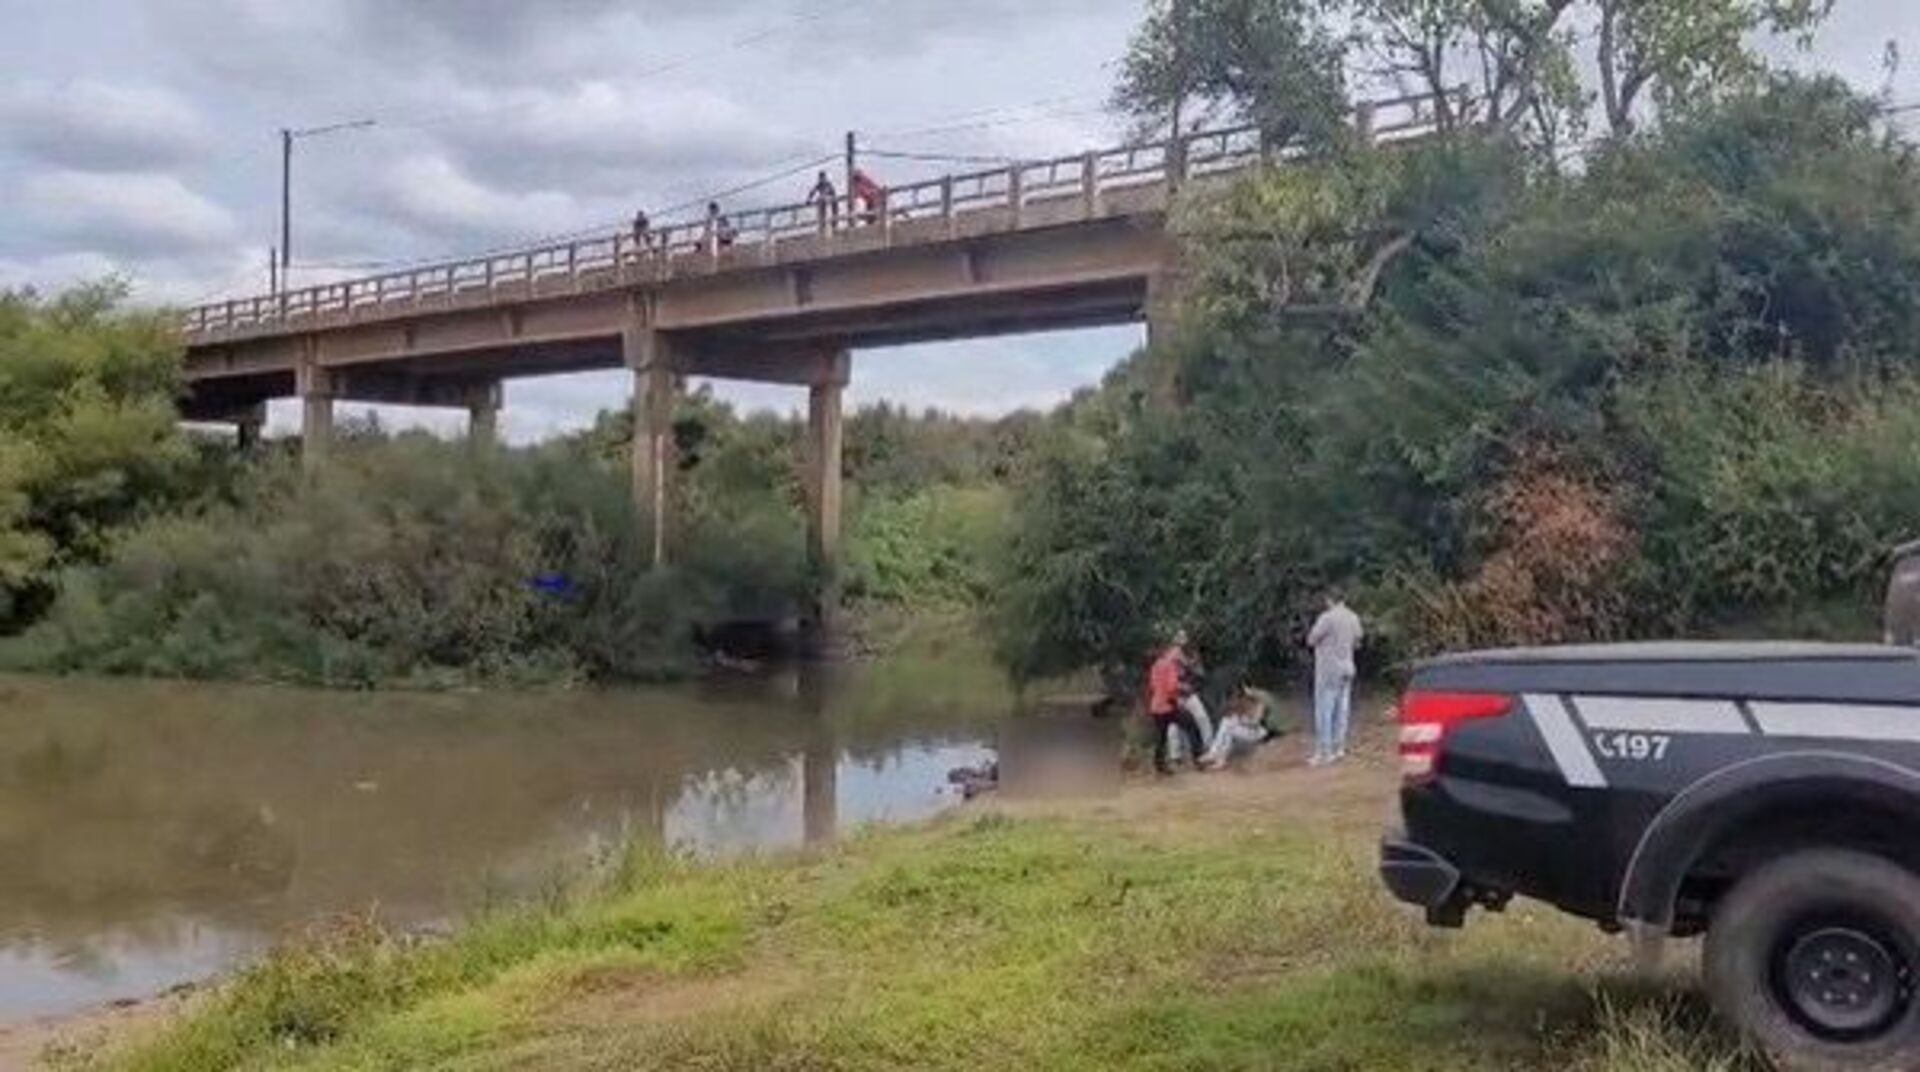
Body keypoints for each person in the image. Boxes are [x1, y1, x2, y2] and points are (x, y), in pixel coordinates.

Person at [1307, 592, 1364, 766]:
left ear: (1329, 599)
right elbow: (1358, 640)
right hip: (1347, 666)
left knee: (1325, 709)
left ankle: (1325, 752)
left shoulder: (1327, 618)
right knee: (1342, 709)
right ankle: (1339, 748)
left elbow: (1311, 639)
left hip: (1329, 669)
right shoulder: (1353, 617)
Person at [1147, 632, 1206, 775]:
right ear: (1168, 651)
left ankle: (1160, 766)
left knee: (1161, 737)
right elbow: (1172, 686)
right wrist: (1184, 687)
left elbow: (1153, 685)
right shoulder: (1170, 665)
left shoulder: (1156, 665)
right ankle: (1198, 758)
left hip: (1156, 706)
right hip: (1169, 705)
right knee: (1191, 726)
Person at [1200, 685, 1271, 770]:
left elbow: (1254, 724)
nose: (1235, 699)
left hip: (1257, 735)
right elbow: (1229, 718)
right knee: (1226, 722)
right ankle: (1215, 754)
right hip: (1246, 734)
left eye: (1237, 696)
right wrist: (1237, 716)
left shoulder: (1258, 704)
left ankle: (1218, 757)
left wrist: (1249, 692)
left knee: (1230, 729)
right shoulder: (1239, 707)